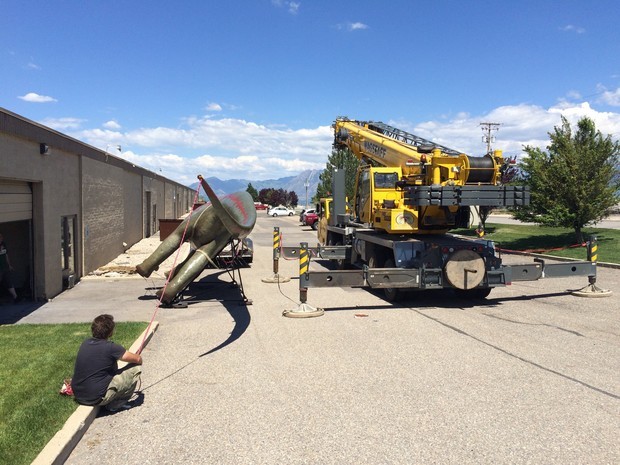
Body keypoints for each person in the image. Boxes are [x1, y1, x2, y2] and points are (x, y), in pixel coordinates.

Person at [72, 314, 143, 412]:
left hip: (78, 395)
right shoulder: (111, 347)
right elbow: (138, 359)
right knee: (135, 368)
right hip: (95, 398)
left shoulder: (85, 343)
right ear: (110, 332)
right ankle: (115, 405)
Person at [0, 233, 19, 303]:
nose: (1, 238)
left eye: (1, 237)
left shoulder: (3, 244)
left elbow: (6, 255)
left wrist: (9, 265)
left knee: (9, 282)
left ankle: (16, 297)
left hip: (5, 267)